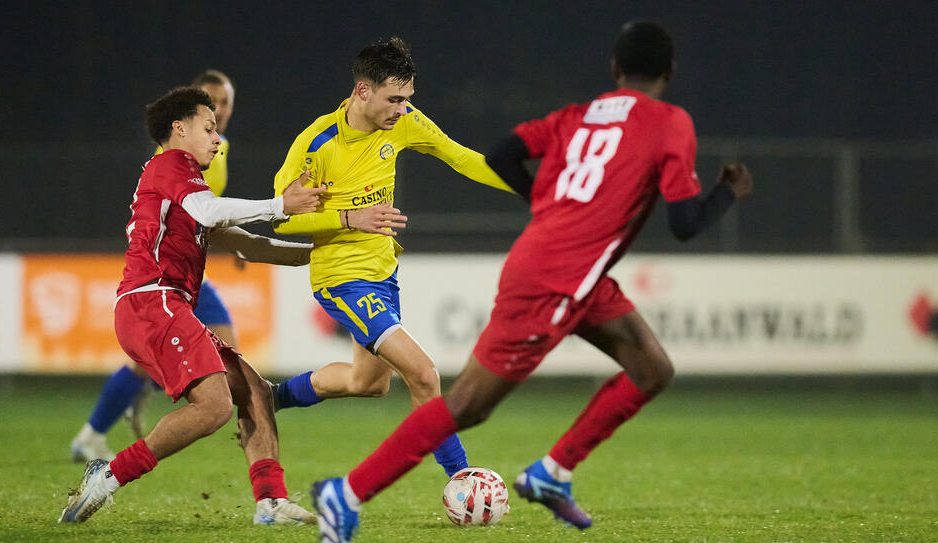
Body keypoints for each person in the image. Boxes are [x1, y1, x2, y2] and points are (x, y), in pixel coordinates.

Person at [311, 20, 755, 542]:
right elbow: (683, 225)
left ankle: (551, 474)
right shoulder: (669, 122)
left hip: (578, 272)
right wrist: (728, 193)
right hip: (554, 278)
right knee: (466, 407)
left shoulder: (579, 115)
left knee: (651, 367)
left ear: (615, 70)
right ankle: (346, 495)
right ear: (670, 72)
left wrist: (543, 201)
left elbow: (503, 153)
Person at [59, 86, 328, 525]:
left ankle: (270, 502)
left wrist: (322, 253)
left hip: (167, 304)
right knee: (215, 406)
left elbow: (249, 247)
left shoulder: (183, 187)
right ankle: (106, 477)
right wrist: (281, 204)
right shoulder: (170, 166)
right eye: (209, 127)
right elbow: (210, 212)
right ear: (178, 129)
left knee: (255, 391)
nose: (217, 138)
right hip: (153, 300)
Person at [268, 37, 516, 479]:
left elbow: (460, 158)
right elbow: (282, 222)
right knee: (423, 374)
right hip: (341, 278)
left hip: (383, 272)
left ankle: (268, 399)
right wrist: (350, 218)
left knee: (368, 383)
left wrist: (533, 188)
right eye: (394, 99)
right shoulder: (316, 146)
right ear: (363, 91)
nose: (403, 109)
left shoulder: (402, 122)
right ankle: (462, 481)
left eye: (408, 99)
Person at [69, 70, 242, 462]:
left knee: (154, 361)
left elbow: (205, 214)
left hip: (187, 270)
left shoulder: (219, 147)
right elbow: (183, 209)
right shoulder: (173, 157)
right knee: (232, 358)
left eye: (226, 102)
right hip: (164, 274)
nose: (221, 110)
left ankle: (95, 431)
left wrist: (230, 242)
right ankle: (258, 463)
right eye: (212, 102)